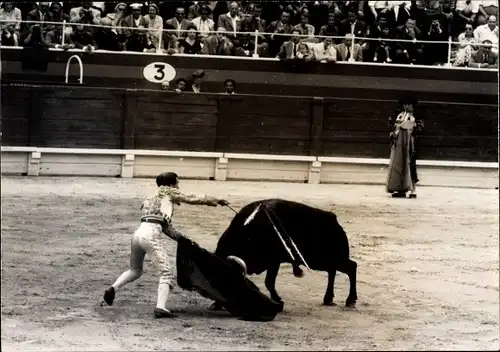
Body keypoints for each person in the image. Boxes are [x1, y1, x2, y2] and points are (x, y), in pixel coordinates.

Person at [102, 172, 229, 318]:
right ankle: (160, 308)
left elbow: (165, 227)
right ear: (170, 185)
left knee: (135, 270)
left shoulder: (150, 198)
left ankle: (113, 288)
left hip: (137, 235)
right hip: (151, 236)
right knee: (166, 273)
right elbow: (193, 198)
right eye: (177, 183)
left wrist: (184, 239)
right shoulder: (168, 192)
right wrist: (216, 200)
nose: (178, 186)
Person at [386, 97, 424, 199]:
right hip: (399, 144)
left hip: (411, 144)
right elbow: (390, 125)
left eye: (409, 105)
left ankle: (413, 190)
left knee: (410, 165)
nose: (407, 107)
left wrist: (413, 126)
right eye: (405, 104)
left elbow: (420, 129)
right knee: (399, 166)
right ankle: (400, 190)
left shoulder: (417, 116)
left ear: (413, 106)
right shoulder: (399, 115)